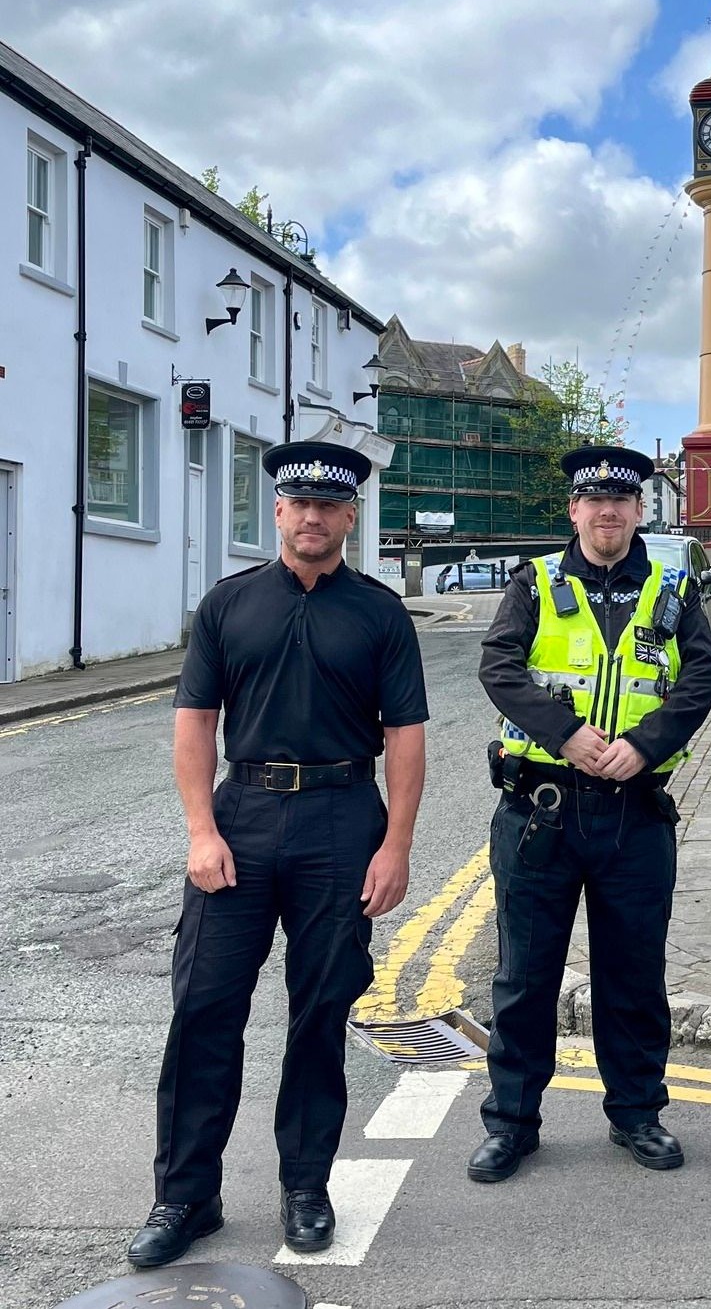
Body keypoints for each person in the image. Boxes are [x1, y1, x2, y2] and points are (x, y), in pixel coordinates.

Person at [127, 440, 428, 1268]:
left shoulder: (379, 612)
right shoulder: (228, 606)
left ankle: (306, 1186)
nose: (313, 518)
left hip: (341, 819)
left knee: (319, 1012)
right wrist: (200, 830)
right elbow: (195, 723)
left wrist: (395, 845)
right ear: (279, 512)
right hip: (244, 815)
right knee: (203, 1010)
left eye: (330, 507)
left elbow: (405, 737)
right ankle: (186, 1195)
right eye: (300, 504)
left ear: (349, 518)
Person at [467, 444, 711, 1184]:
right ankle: (512, 1123)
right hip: (540, 813)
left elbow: (701, 675)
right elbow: (499, 666)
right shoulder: (536, 582)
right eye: (593, 501)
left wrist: (646, 745)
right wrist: (567, 734)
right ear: (574, 510)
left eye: (621, 501)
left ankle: (637, 1113)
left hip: (635, 812)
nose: (607, 512)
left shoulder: (671, 585)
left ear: (639, 511)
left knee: (633, 975)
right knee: (524, 977)